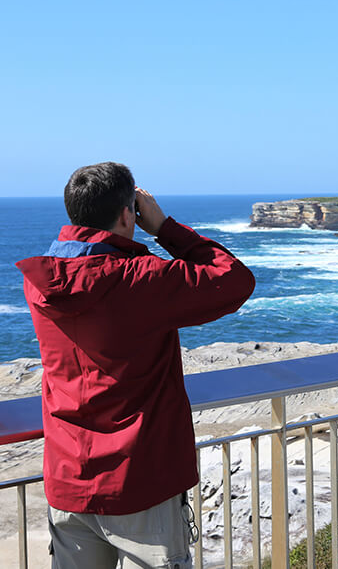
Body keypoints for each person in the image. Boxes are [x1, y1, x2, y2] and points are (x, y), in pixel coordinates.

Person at [16, 162, 256, 568]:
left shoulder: (39, 282)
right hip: (140, 480)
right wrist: (164, 228)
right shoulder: (140, 279)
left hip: (69, 479)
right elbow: (233, 280)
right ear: (129, 214)